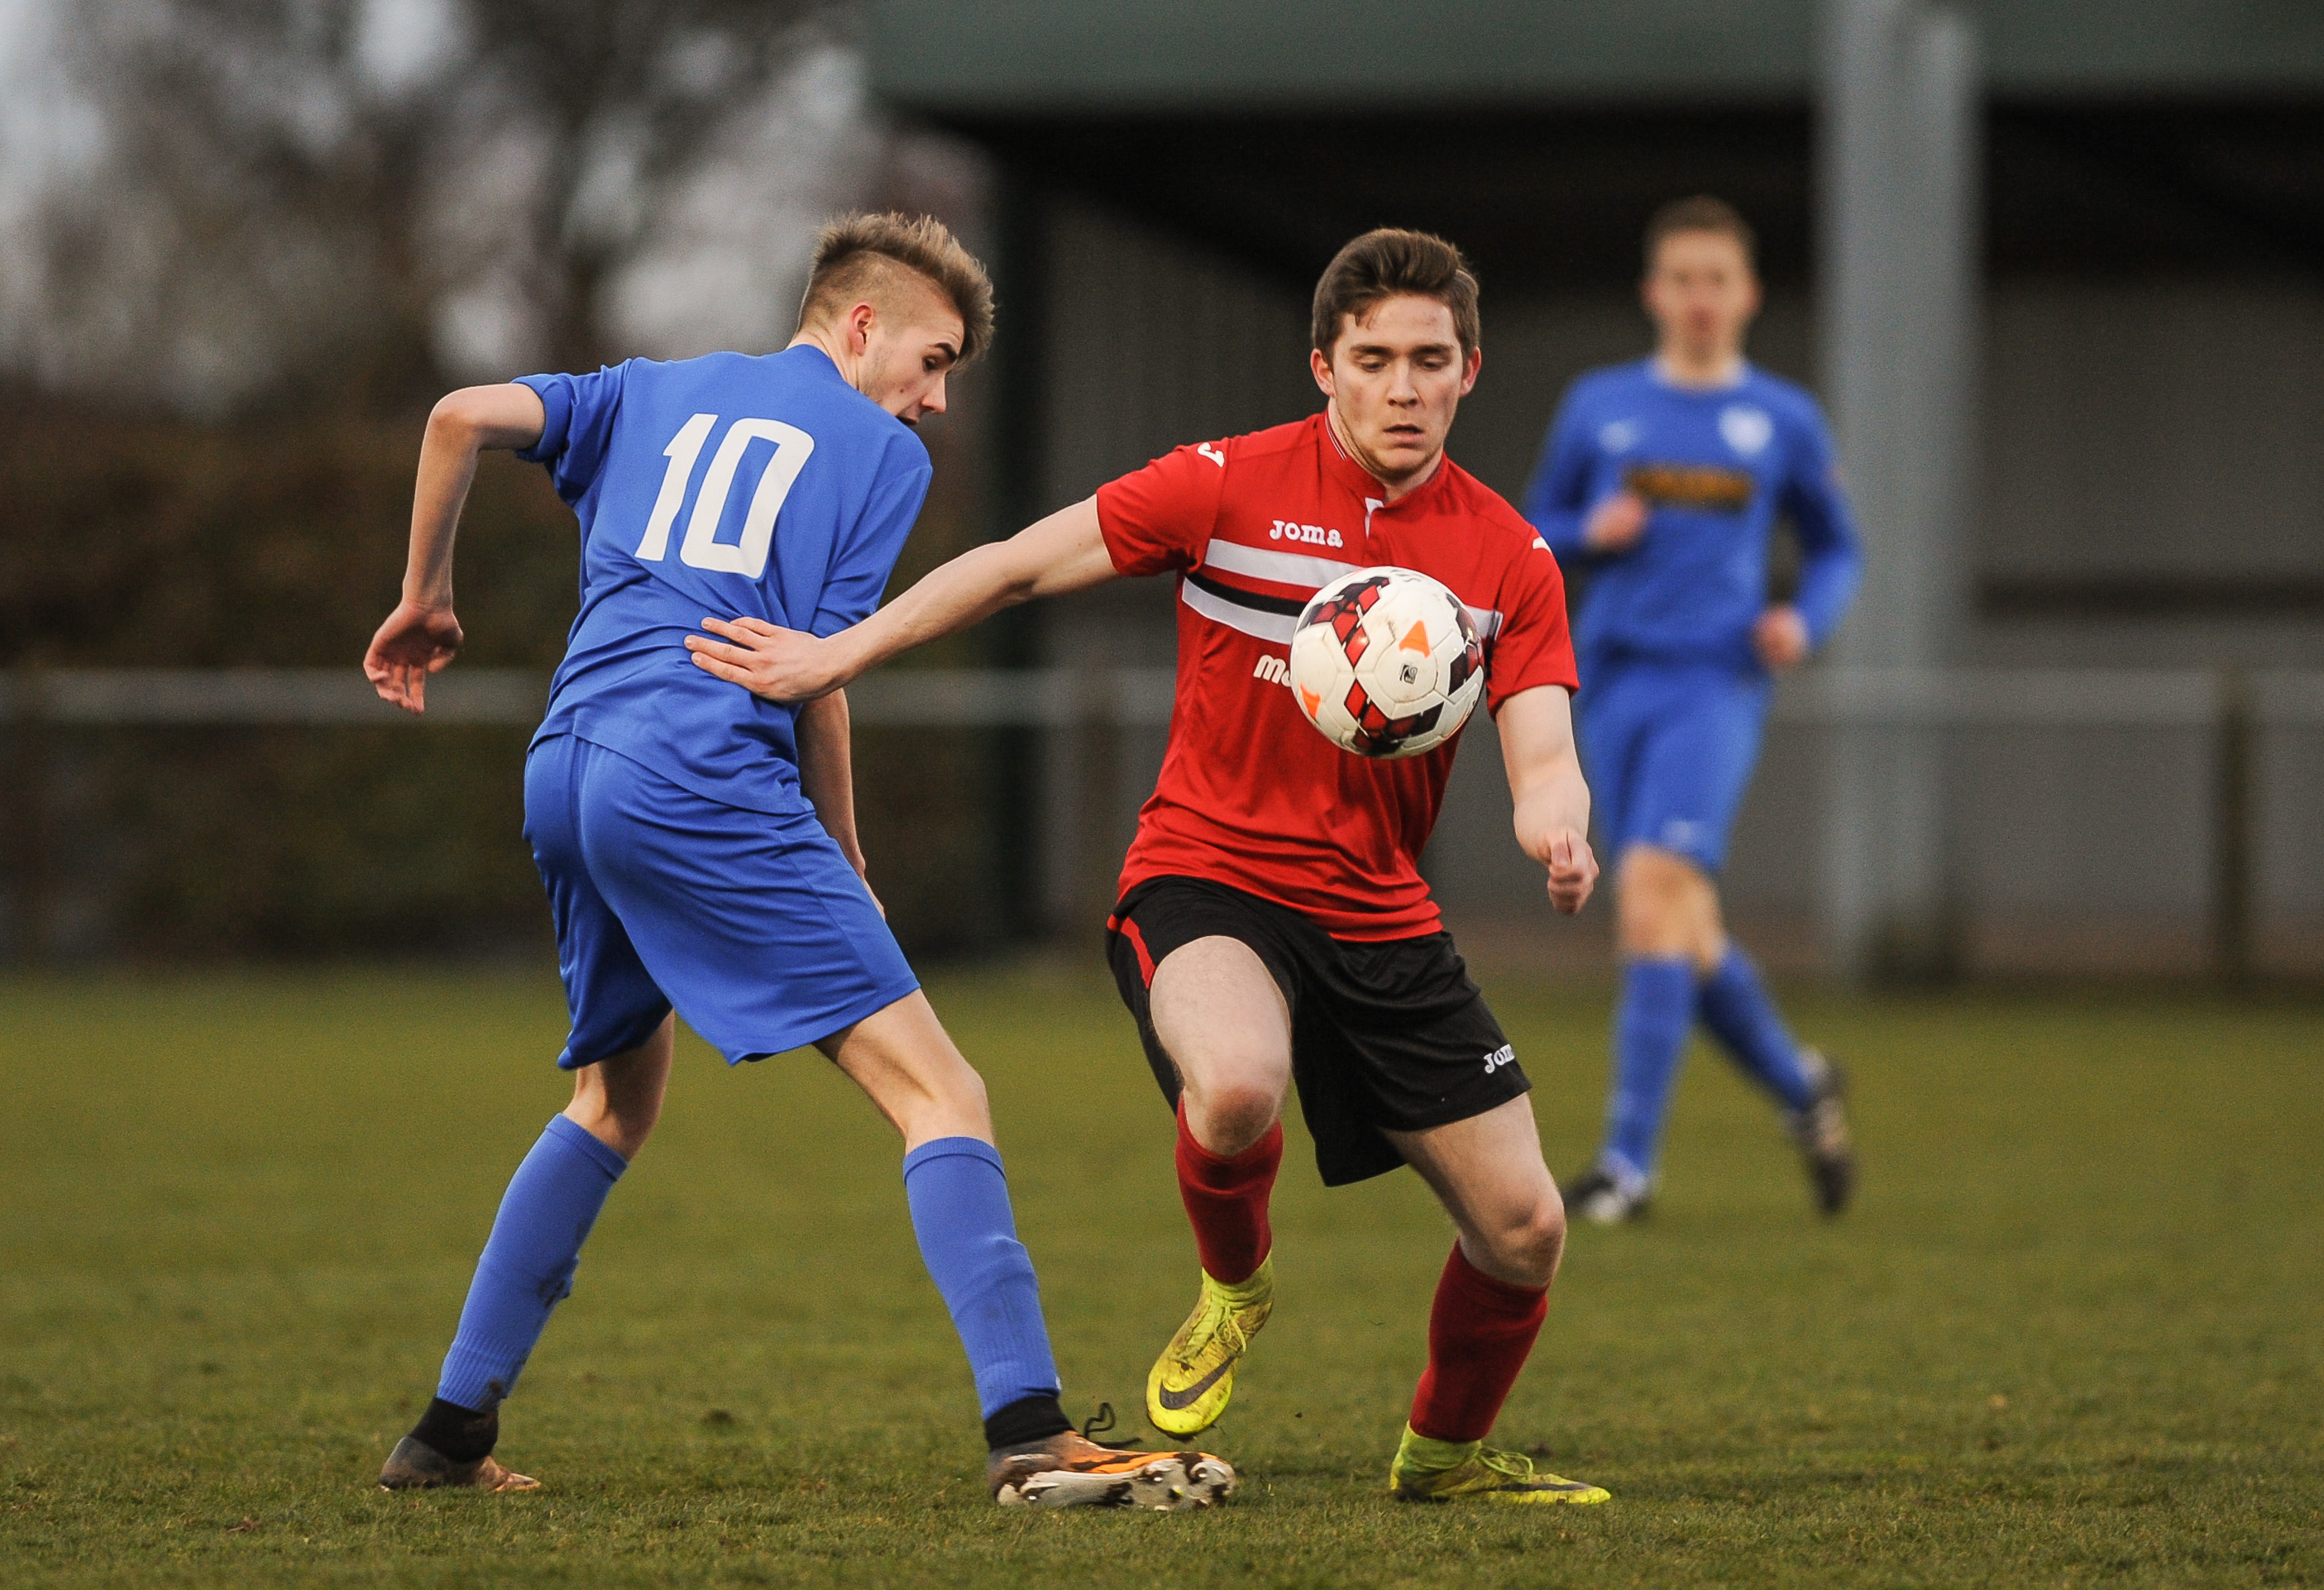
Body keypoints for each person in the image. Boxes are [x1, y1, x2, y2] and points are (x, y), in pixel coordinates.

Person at [688, 228, 1611, 1506]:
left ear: (1470, 372)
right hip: (1209, 874)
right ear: (1325, 367)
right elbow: (1012, 565)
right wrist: (831, 656)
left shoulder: (1508, 557)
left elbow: (1545, 744)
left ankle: (1444, 1456)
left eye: (1430, 361)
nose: (1403, 387)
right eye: (1375, 360)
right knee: (1234, 1086)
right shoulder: (1226, 485)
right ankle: (1236, 1281)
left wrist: (1557, 825)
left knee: (1527, 1229)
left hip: (1384, 914)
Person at [360, 211, 1235, 1511]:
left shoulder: (648, 388)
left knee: (614, 1100)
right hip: (700, 771)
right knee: (943, 1090)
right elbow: (817, 673)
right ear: (861, 323)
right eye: (933, 361)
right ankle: (1032, 1427)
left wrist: (426, 593)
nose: (935, 401)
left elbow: (452, 417)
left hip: (567, 761)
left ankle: (444, 1433)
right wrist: (846, 850)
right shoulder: (876, 451)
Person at [1523, 196, 1863, 1225]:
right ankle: (1804, 1090)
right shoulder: (1600, 406)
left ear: (1747, 294)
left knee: (1651, 893)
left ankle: (1627, 1167)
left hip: (1713, 682)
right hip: (1611, 678)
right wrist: (1591, 525)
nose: (1701, 298)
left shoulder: (1784, 420)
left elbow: (1838, 545)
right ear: (1653, 293)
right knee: (1681, 923)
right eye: (1683, 279)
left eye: (1718, 279)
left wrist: (1803, 619)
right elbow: (1533, 525)